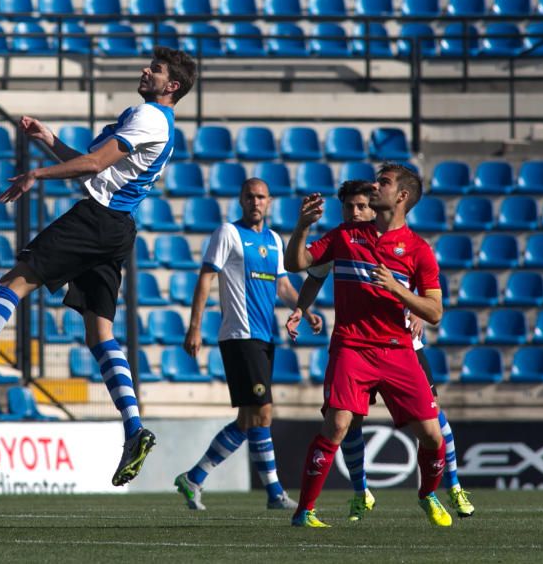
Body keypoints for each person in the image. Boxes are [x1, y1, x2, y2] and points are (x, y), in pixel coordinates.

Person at [0, 47, 197, 488]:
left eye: (154, 69)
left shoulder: (149, 116)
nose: (145, 70)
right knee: (100, 332)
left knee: (14, 281)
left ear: (172, 85)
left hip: (95, 220)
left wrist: (36, 174)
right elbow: (94, 168)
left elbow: (95, 165)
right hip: (118, 228)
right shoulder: (158, 123)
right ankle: (134, 428)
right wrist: (47, 138)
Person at [286, 179, 475, 521]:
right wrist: (302, 226)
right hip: (352, 346)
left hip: (398, 349)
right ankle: (305, 510)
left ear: (401, 197)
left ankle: (429, 493)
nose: (374, 187)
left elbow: (434, 312)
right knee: (338, 424)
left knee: (433, 435)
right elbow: (296, 265)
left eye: (383, 182)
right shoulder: (345, 235)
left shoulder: (418, 249)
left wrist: (398, 292)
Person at [174, 178, 319, 511]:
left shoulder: (273, 240)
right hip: (240, 336)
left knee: (250, 418)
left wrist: (303, 310)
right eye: (250, 196)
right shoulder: (228, 233)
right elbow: (206, 278)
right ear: (241, 200)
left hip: (265, 337)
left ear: (269, 202)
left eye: (262, 197)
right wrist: (194, 328)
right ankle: (275, 493)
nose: (256, 202)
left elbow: (283, 285)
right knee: (263, 412)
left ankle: (195, 478)